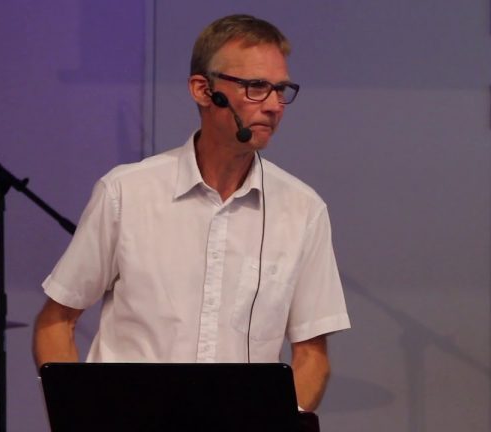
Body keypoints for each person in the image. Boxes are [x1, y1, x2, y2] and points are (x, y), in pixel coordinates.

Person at [32, 14, 350, 411]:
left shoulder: (303, 210)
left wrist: (285, 422)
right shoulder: (126, 192)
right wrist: (79, 415)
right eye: (256, 87)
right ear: (203, 90)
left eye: (280, 89)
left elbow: (312, 355)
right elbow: (57, 321)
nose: (273, 106)